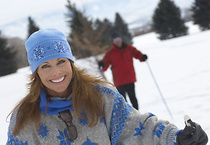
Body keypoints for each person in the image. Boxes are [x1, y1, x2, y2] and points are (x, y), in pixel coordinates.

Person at [6, 28, 208, 145]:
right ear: (36, 72)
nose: (56, 72)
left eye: (61, 62)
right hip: (120, 78)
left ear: (71, 63)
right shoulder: (23, 118)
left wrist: (175, 138)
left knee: (132, 101)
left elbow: (136, 127)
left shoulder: (101, 96)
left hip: (128, 79)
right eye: (45, 66)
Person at [98, 31, 147, 110]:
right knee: (123, 102)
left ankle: (137, 115)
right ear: (113, 41)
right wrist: (101, 64)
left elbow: (138, 55)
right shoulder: (110, 53)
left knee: (133, 98)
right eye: (115, 39)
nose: (117, 40)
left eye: (118, 38)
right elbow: (104, 67)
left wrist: (142, 57)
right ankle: (127, 117)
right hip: (119, 81)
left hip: (130, 78)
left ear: (121, 39)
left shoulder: (129, 48)